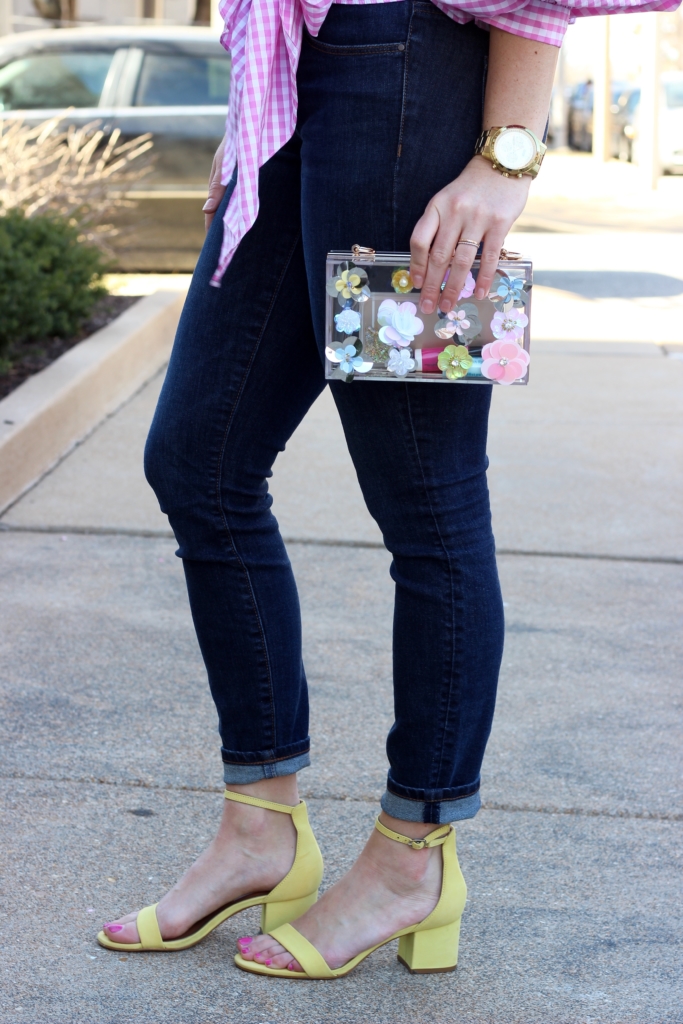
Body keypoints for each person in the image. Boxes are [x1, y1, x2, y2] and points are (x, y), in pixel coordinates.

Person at [97, 0, 677, 980]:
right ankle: (258, 828)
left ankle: (413, 854)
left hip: (402, 67)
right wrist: (256, 102)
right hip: (294, 80)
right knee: (197, 457)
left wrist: (503, 159)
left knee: (425, 503)